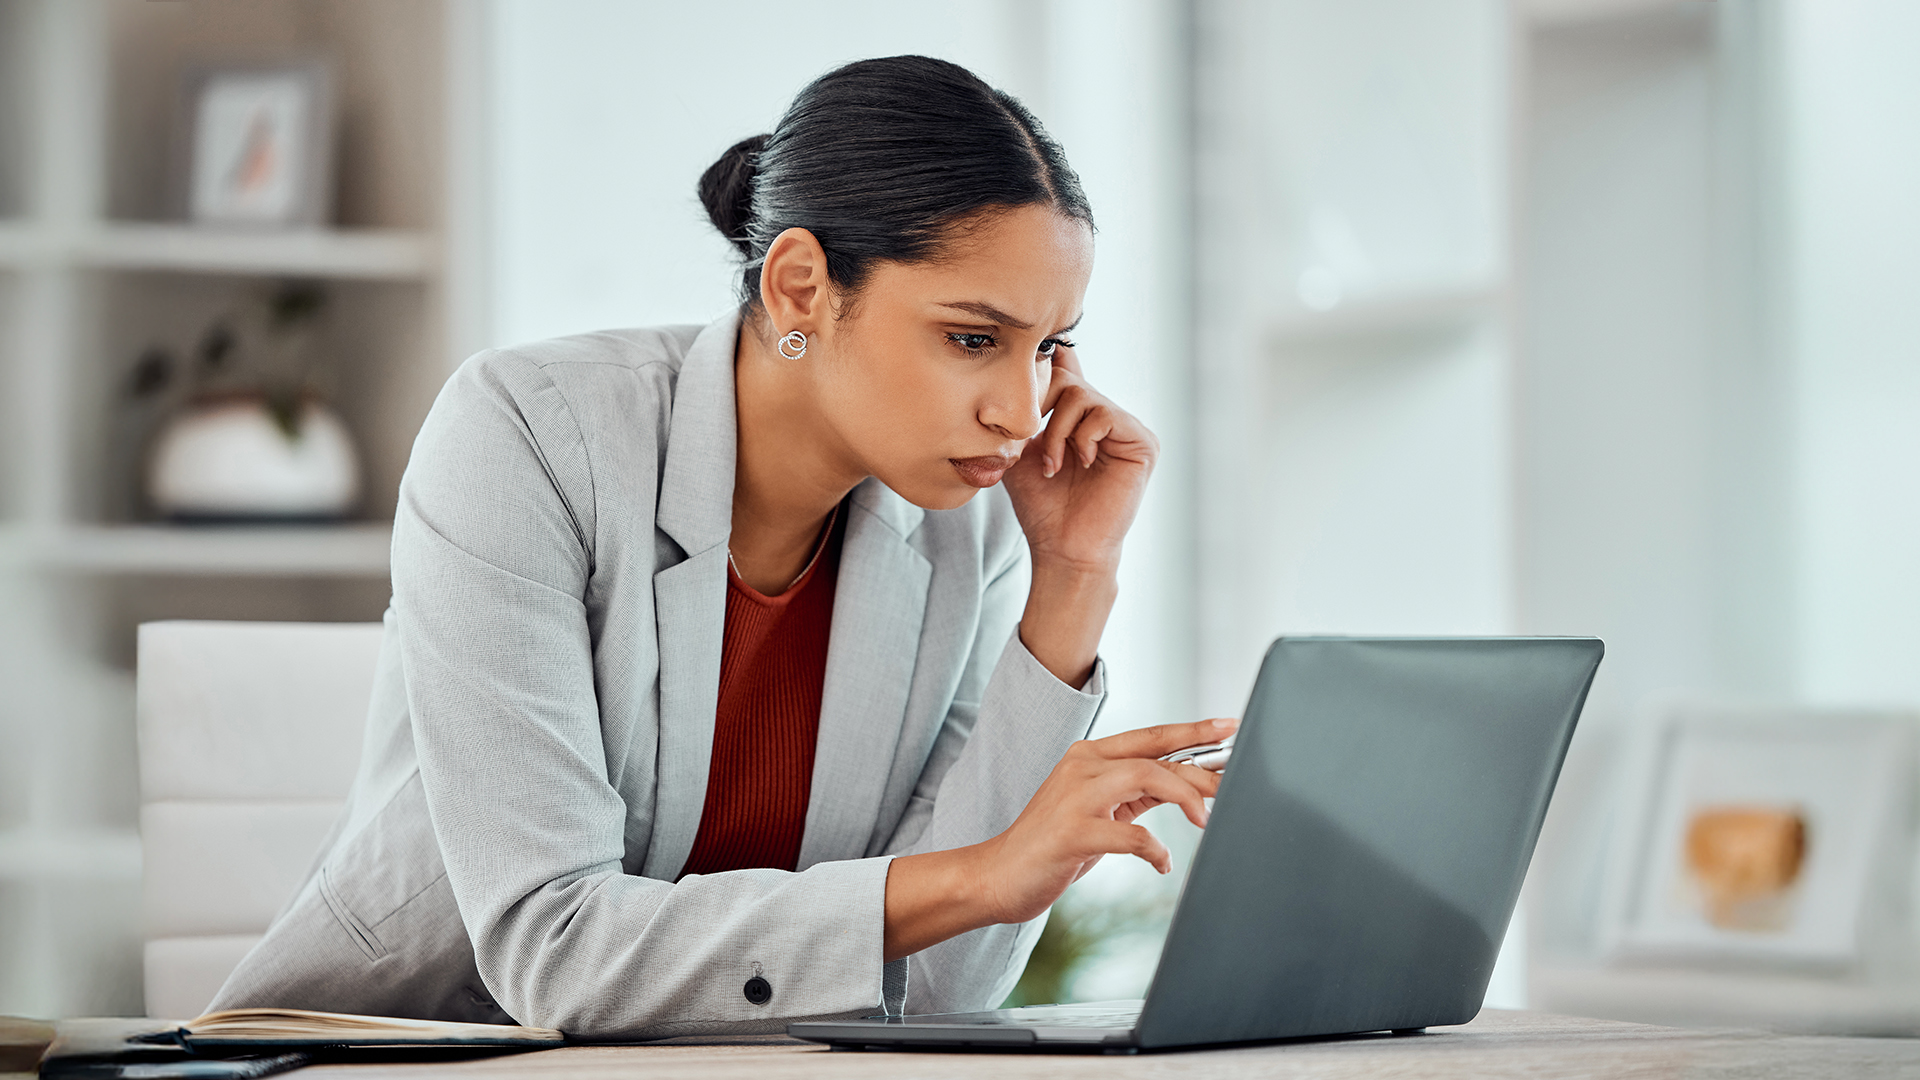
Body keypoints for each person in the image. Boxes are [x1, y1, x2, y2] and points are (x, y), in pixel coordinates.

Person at [210, 54, 1229, 1038]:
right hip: (407, 1054)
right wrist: (979, 875)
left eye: (1048, 348)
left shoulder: (975, 525)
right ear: (799, 288)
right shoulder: (526, 433)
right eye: (973, 338)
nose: (1021, 409)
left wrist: (1075, 578)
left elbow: (936, 987)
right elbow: (549, 951)